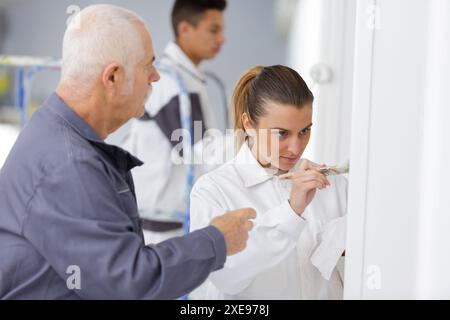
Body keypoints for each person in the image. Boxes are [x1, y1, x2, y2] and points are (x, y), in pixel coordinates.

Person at [0, 4, 255, 300]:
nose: (156, 77)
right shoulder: (69, 166)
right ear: (113, 78)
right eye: (148, 66)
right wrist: (217, 240)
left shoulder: (56, 135)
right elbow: (128, 284)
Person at [190, 65, 347, 300]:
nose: (296, 147)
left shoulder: (332, 186)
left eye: (305, 130)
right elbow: (226, 276)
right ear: (249, 125)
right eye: (281, 133)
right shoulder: (213, 190)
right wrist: (292, 212)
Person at [121, 0, 227, 244]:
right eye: (214, 30)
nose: (222, 39)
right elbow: (202, 153)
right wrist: (258, 149)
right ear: (185, 29)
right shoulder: (170, 83)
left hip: (170, 225)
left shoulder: (188, 80)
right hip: (158, 231)